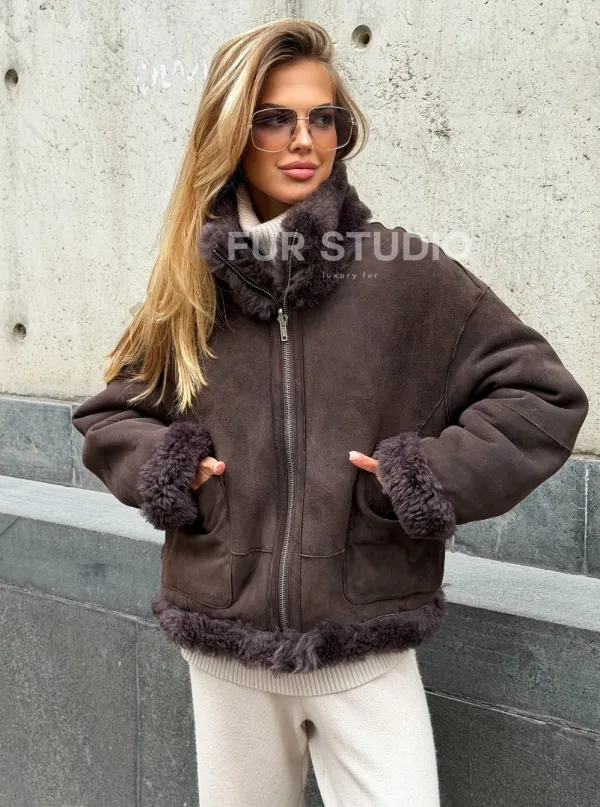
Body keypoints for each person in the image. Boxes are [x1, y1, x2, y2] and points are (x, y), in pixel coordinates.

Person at [71, 18, 588, 807]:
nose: (302, 139)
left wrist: (415, 478)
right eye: (274, 118)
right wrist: (176, 471)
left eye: (322, 117)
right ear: (231, 132)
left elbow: (543, 396)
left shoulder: (403, 273)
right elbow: (110, 415)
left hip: (365, 643)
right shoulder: (193, 284)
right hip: (224, 643)